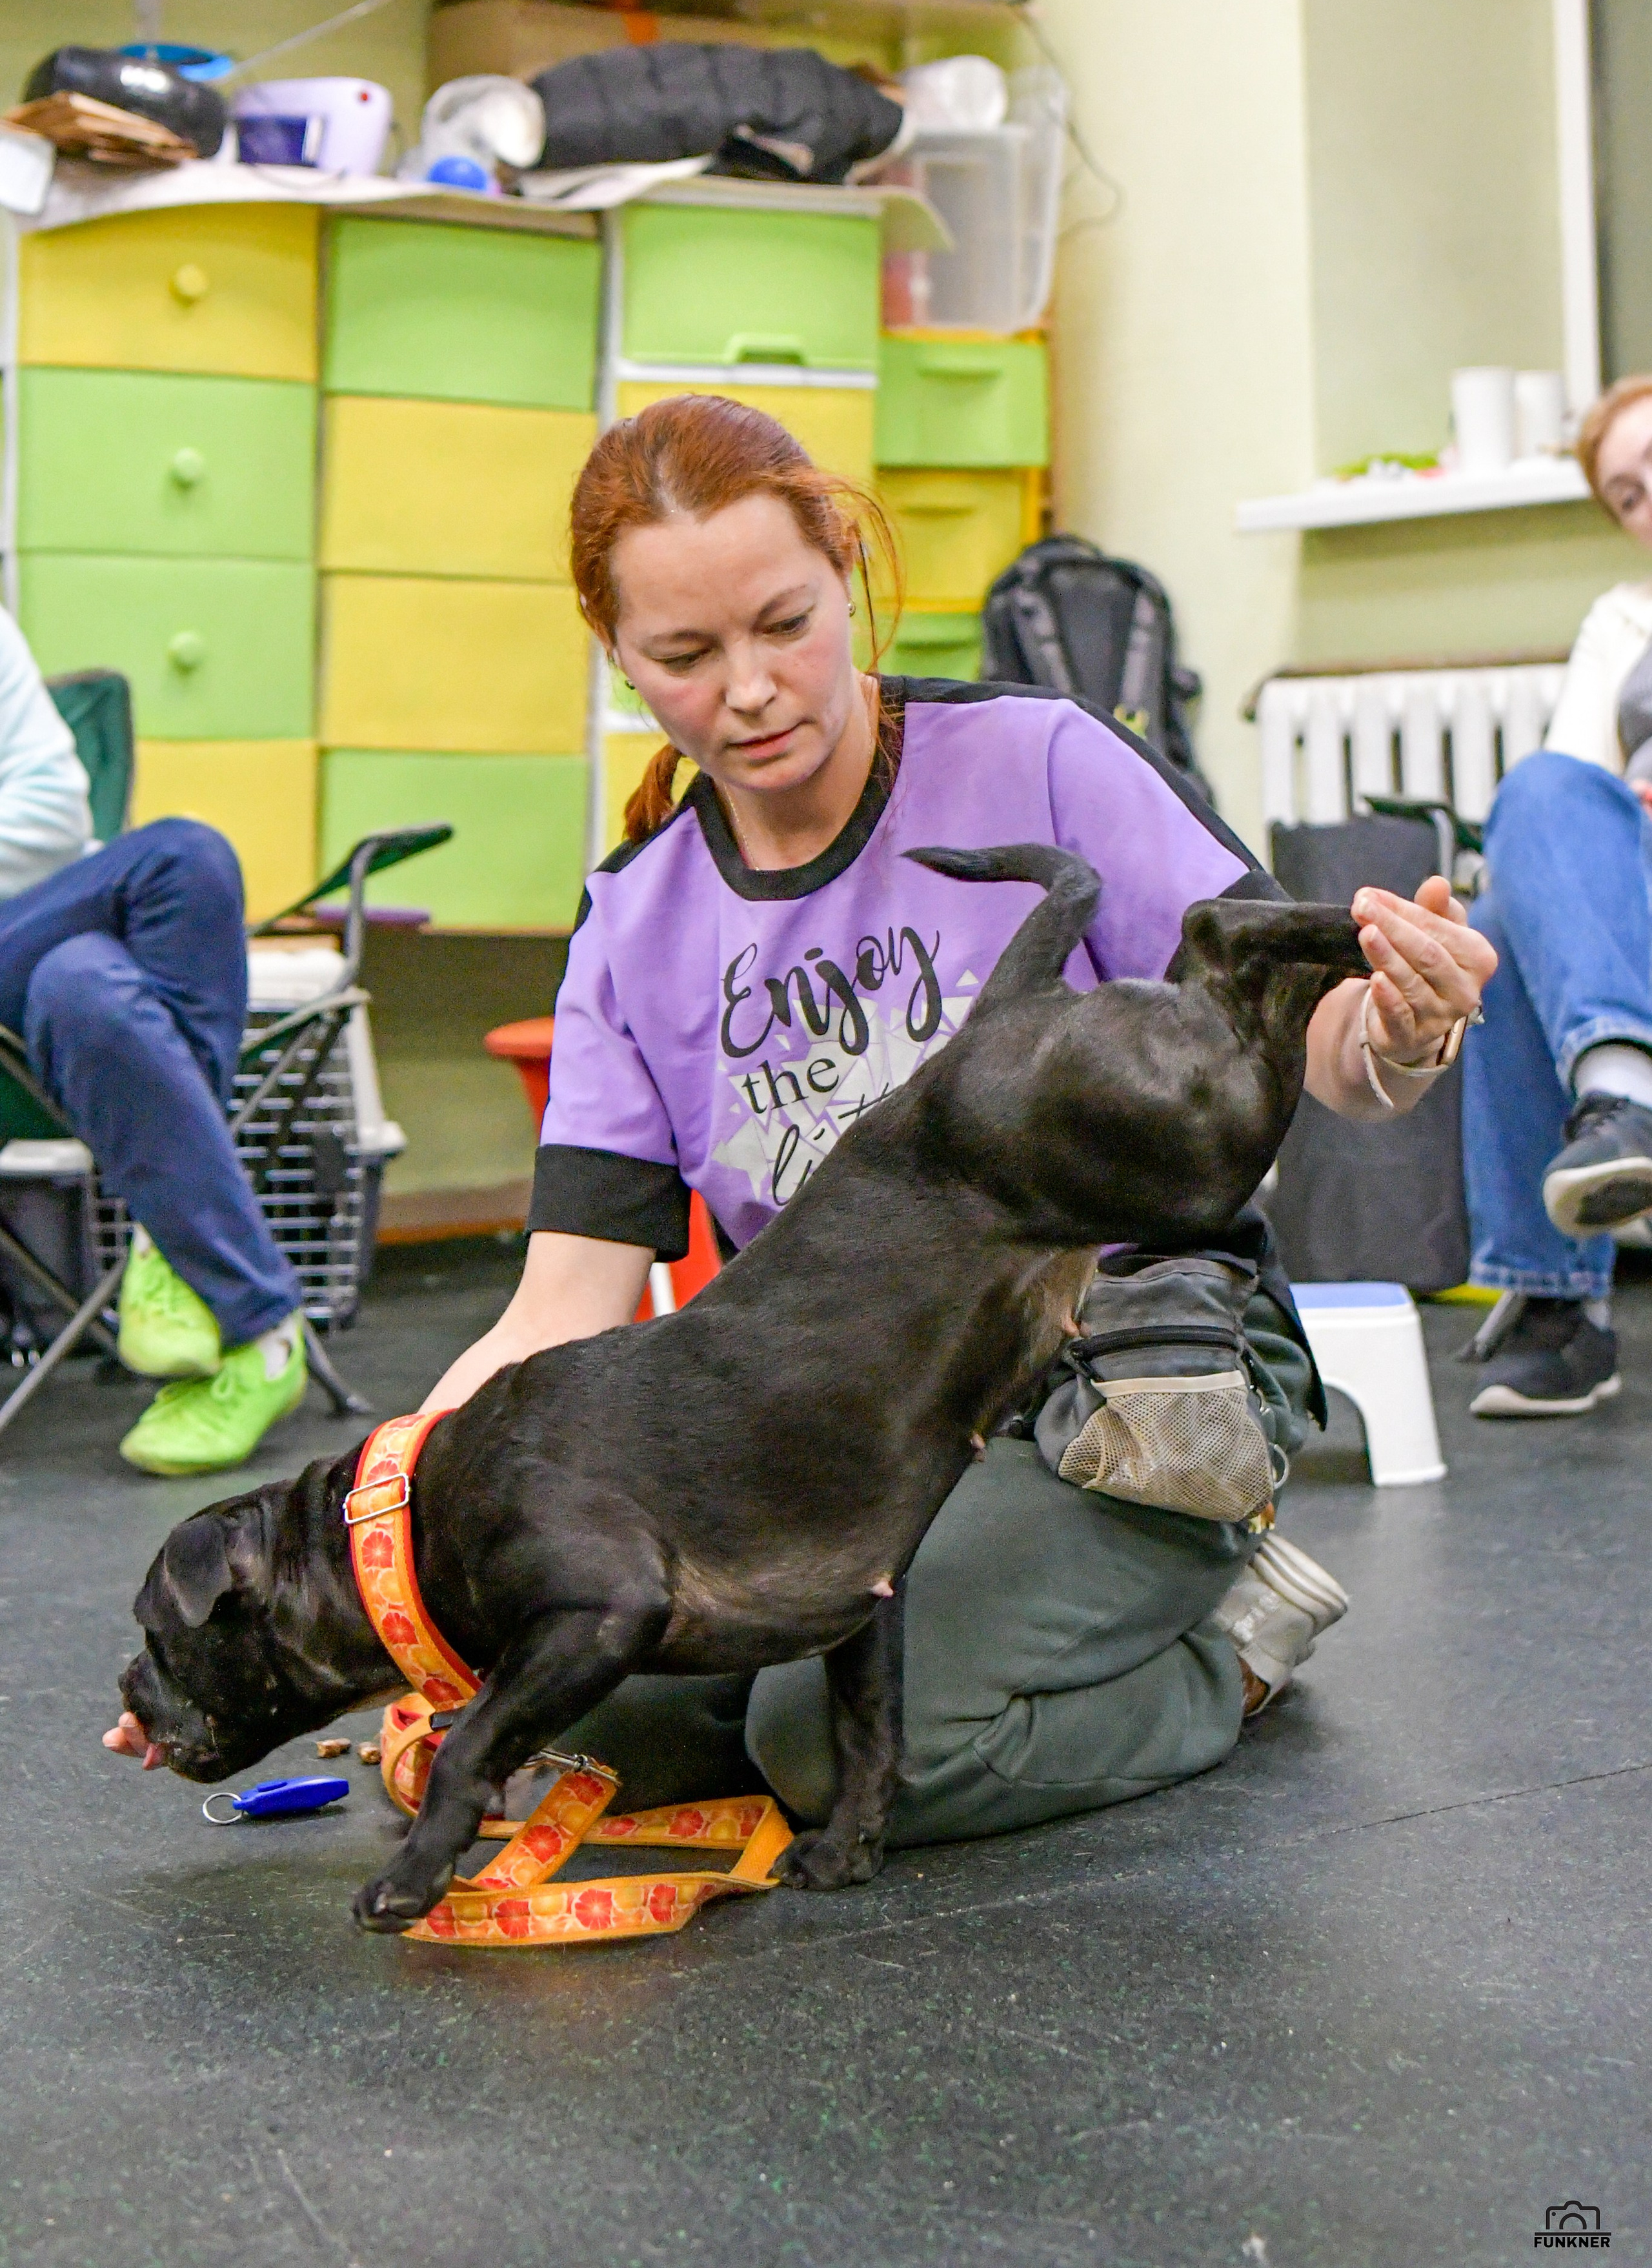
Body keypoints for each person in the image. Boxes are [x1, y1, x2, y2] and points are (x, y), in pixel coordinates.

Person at [423, 395, 1493, 1847]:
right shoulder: (632, 918)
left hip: (1119, 1392)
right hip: (850, 1443)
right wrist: (372, 1557)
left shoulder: (1039, 760)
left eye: (784, 623)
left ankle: (1224, 1652)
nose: (748, 688)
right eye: (682, 656)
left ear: (846, 570)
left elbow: (1312, 1037)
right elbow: (558, 1310)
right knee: (565, 1713)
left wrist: (1398, 1025)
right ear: (616, 658)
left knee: (840, 1754)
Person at [0, 606, 305, 1474]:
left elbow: (55, 815)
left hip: (40, 947)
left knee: (87, 983)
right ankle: (253, 1313)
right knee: (177, 855)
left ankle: (173, 1257)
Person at [1464, 374, 1652, 1416]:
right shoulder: (1624, 619)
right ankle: (1560, 1304)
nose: (1648, 500)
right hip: (1636, 877)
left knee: (1508, 916)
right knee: (1497, 913)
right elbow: (1567, 790)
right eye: (1627, 494)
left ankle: (1556, 1291)